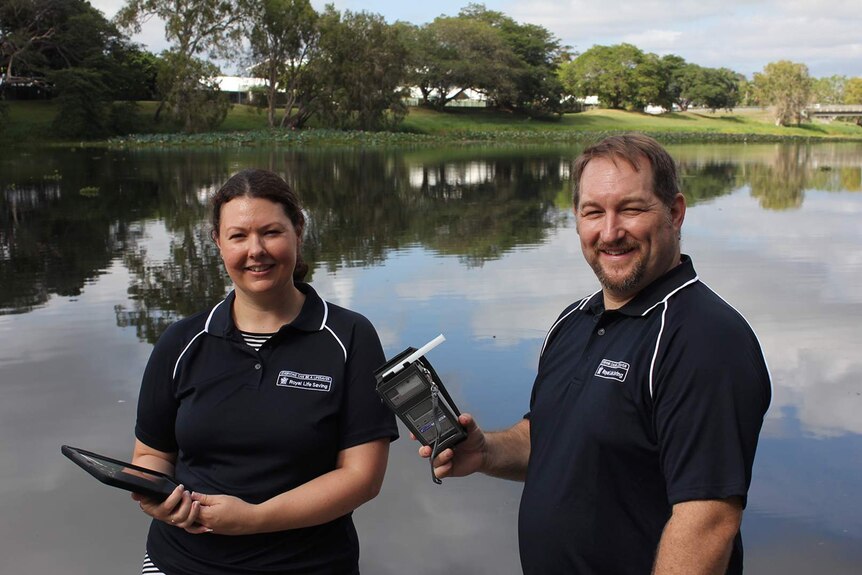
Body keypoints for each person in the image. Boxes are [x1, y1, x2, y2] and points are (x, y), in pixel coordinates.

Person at [421, 133, 772, 575]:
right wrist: (486, 452)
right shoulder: (573, 321)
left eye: (631, 208)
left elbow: (708, 520)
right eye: (593, 212)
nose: (610, 232)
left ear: (675, 213)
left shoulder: (703, 339)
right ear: (577, 219)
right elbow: (551, 436)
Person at [130, 168, 398, 574]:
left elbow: (362, 477)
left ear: (298, 231)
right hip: (179, 562)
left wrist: (253, 519)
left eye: (271, 232)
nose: (255, 250)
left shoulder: (349, 336)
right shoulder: (182, 341)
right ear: (218, 243)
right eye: (238, 236)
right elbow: (151, 454)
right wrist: (154, 495)